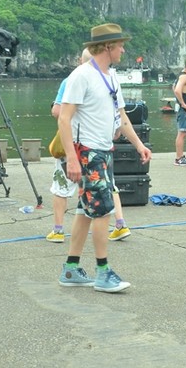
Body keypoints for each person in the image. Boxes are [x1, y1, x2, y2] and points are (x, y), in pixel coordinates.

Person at [57, 23, 151, 293]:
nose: (123, 49)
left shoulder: (111, 76)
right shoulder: (81, 76)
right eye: (120, 44)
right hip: (88, 152)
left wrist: (138, 145)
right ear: (108, 46)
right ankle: (102, 271)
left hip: (104, 151)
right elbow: (64, 118)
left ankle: (71, 268)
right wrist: (73, 159)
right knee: (103, 210)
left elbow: (122, 118)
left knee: (86, 210)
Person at [46, 50, 132, 243]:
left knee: (62, 185)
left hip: (78, 145)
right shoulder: (108, 79)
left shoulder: (72, 79)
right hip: (102, 146)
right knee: (108, 185)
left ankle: (58, 230)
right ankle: (120, 223)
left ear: (80, 61)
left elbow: (58, 112)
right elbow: (119, 115)